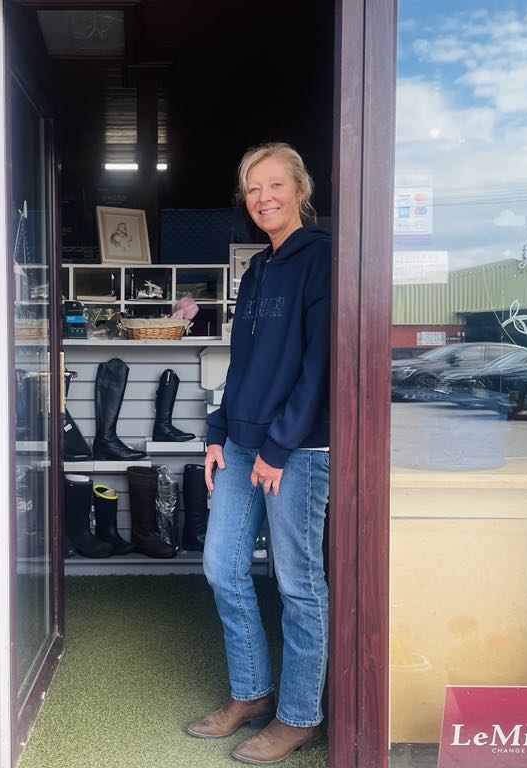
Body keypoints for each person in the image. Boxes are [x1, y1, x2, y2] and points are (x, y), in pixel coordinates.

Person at [186, 142, 330, 765]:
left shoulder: (321, 259)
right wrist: (218, 431)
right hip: (244, 446)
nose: (263, 197)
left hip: (296, 449)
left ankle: (299, 717)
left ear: (300, 189)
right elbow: (242, 365)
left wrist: (278, 444)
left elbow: (321, 365)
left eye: (274, 185)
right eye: (253, 188)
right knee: (222, 567)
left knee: (299, 585)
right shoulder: (257, 271)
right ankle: (251, 693)